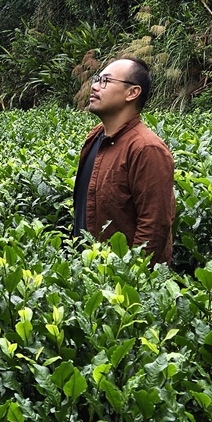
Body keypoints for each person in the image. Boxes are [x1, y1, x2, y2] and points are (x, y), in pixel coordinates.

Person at [73, 56, 175, 266]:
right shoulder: (96, 138)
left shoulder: (146, 148)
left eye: (105, 81)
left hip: (120, 283)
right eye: (96, 79)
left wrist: (132, 276)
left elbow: (154, 226)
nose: (94, 86)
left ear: (132, 93)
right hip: (89, 271)